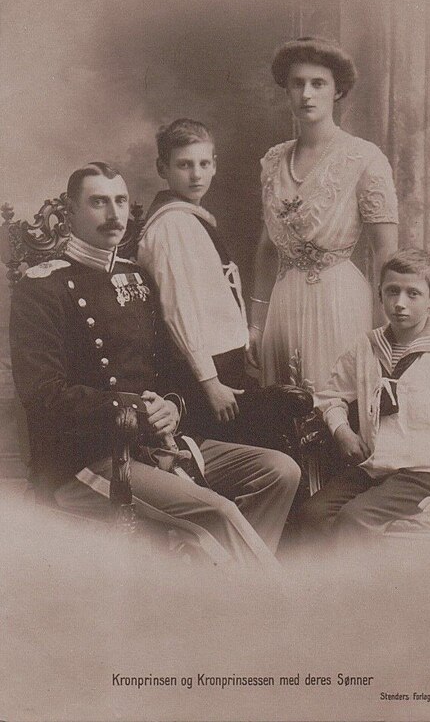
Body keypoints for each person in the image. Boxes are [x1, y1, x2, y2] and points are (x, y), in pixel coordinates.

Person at [9, 162, 301, 566]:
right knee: (219, 512)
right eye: (98, 202)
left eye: (120, 201)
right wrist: (136, 410)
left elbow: (169, 370)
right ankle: (260, 603)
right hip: (84, 459)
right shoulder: (42, 287)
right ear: (70, 213)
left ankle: (219, 588)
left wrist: (171, 405)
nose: (113, 214)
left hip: (156, 444)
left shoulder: (138, 278)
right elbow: (43, 396)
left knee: (280, 471)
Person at [297, 248, 430, 545]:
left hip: (427, 474)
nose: (400, 303)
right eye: (392, 292)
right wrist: (342, 432)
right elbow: (330, 396)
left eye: (412, 294)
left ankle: (345, 590)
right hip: (376, 468)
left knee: (355, 521)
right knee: (311, 514)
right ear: (379, 294)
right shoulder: (367, 347)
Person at [137, 119, 313, 444]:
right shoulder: (172, 226)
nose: (196, 175)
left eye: (204, 163)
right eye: (184, 165)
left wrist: (242, 339)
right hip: (202, 372)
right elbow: (180, 312)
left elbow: (216, 295)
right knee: (245, 451)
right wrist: (210, 383)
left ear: (215, 165)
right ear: (163, 168)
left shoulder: (191, 219)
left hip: (223, 361)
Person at [248, 36, 399, 394]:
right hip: (283, 308)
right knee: (284, 415)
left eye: (318, 84)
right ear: (286, 91)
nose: (306, 94)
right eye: (297, 84)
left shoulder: (364, 158)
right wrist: (257, 323)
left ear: (337, 92)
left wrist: (385, 331)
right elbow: (268, 246)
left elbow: (386, 253)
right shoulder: (272, 161)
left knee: (334, 411)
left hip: (338, 302)